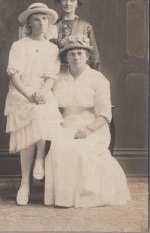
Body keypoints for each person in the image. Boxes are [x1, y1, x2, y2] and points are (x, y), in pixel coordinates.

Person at [44, 35, 131, 208]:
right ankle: (64, 198)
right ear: (66, 57)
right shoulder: (58, 78)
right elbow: (50, 103)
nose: (76, 57)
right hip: (65, 123)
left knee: (81, 148)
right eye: (72, 54)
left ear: (87, 56)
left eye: (80, 53)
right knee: (60, 146)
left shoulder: (97, 79)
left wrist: (89, 129)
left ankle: (85, 196)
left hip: (92, 125)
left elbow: (105, 114)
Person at [4, 3, 62, 206]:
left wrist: (42, 93)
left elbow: (51, 77)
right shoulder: (19, 46)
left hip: (42, 92)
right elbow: (15, 77)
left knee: (41, 113)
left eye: (45, 18)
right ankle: (25, 183)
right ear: (29, 22)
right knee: (28, 133)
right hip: (22, 93)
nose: (41, 22)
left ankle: (40, 156)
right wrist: (29, 94)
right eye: (37, 18)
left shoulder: (53, 48)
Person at [49, 0, 100, 70]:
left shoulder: (86, 27)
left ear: (77, 3)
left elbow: (94, 58)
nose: (68, 3)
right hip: (54, 74)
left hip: (78, 75)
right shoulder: (52, 26)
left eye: (72, 0)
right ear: (59, 1)